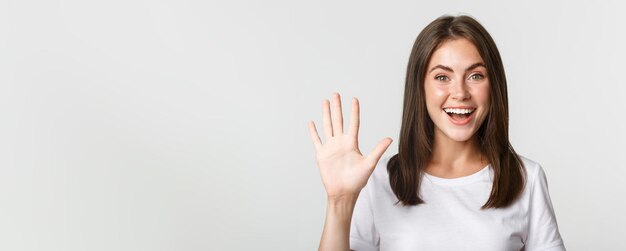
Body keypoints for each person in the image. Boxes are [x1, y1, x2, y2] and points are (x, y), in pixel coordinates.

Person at [307, 14, 565, 250]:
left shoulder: (525, 179)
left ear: (493, 85)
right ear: (420, 87)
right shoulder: (378, 181)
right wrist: (340, 201)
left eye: (475, 76)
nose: (461, 93)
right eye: (442, 77)